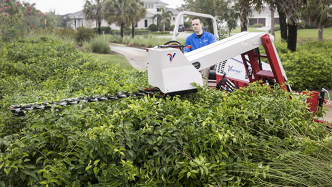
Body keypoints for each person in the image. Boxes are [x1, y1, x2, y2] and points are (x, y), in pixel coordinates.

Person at [184, 17, 216, 84]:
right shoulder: (189, 39)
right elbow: (186, 53)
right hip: (195, 61)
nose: (195, 26)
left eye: (196, 24)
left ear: (201, 24)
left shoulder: (210, 36)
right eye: (193, 25)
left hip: (208, 61)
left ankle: (202, 90)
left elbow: (213, 50)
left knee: (205, 66)